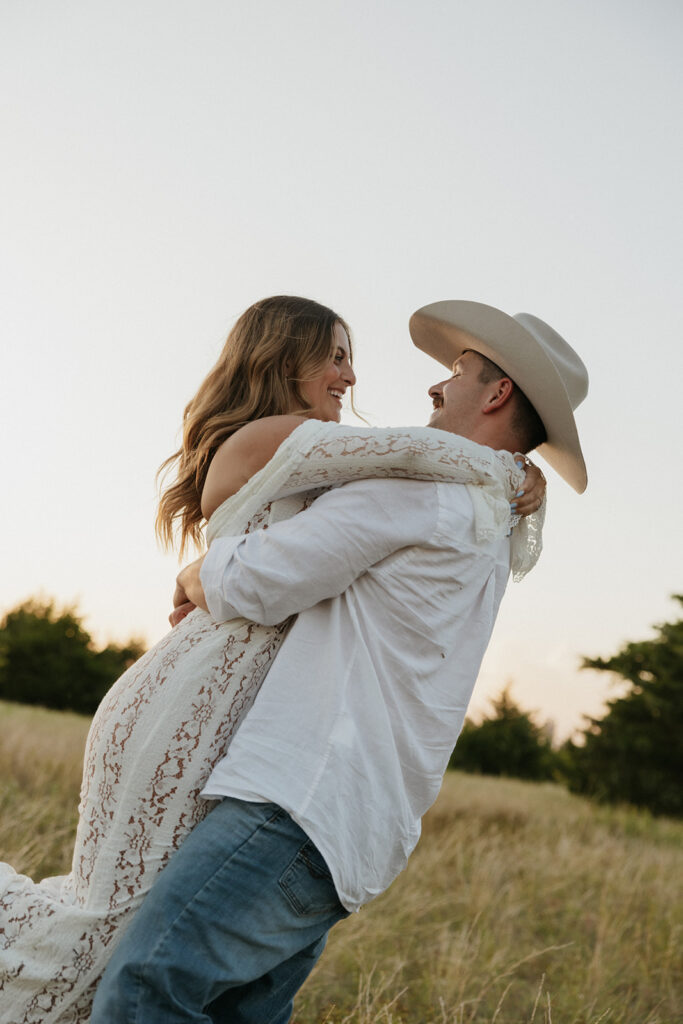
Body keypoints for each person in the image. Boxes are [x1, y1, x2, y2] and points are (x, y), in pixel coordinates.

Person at [0, 296, 544, 1024]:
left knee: (133, 977)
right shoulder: (451, 500)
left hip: (293, 787)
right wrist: (517, 478)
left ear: (498, 392)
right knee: (137, 959)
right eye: (337, 355)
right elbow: (411, 453)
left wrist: (201, 573)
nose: (427, 386)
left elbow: (261, 573)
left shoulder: (435, 498)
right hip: (263, 759)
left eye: (454, 371)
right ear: (284, 357)